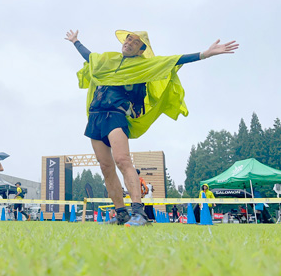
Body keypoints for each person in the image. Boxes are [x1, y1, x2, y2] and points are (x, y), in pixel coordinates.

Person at [65, 29, 238, 226]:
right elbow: (90, 57)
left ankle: (139, 213)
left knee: (122, 160)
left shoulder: (144, 65)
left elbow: (173, 60)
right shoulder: (107, 60)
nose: (129, 42)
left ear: (141, 50)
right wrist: (75, 41)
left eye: (135, 42)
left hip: (116, 115)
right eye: (128, 39)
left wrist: (204, 54)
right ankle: (121, 214)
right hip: (95, 115)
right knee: (105, 167)